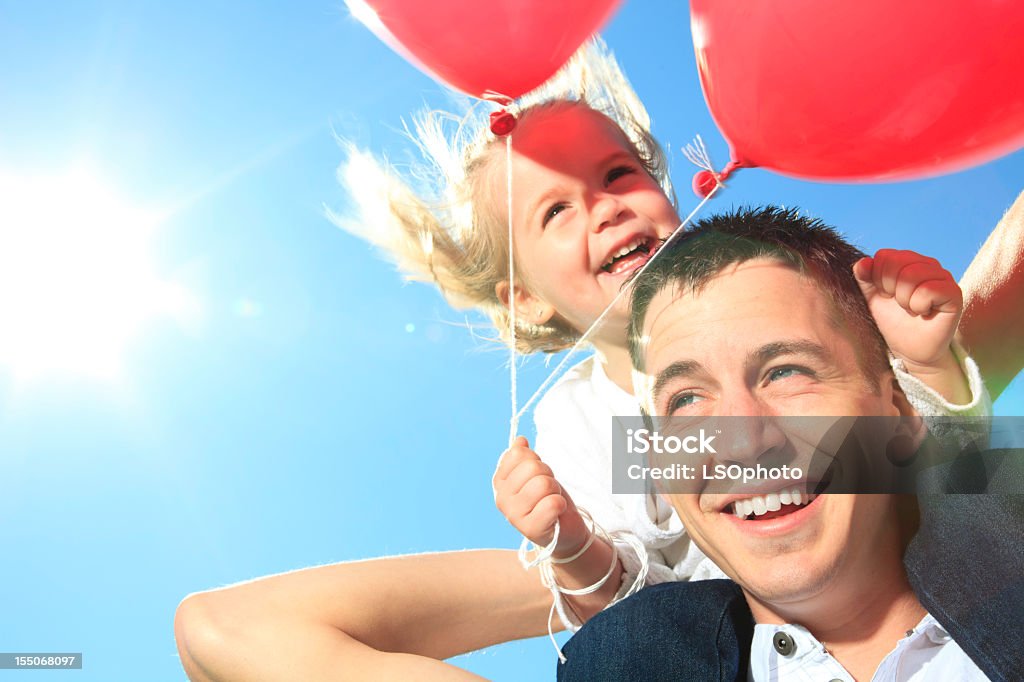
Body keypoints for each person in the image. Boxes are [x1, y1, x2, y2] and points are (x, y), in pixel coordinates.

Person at [173, 42, 1023, 680]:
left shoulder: (790, 296)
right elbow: (609, 589)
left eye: (619, 173)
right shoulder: (581, 417)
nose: (606, 208)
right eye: (557, 211)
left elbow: (935, 459)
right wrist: (567, 540)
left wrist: (932, 361)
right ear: (526, 298)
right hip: (697, 618)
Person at [558, 207, 1024, 681]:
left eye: (786, 372)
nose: (741, 443)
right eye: (686, 400)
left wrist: (935, 372)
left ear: (901, 415)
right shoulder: (627, 659)